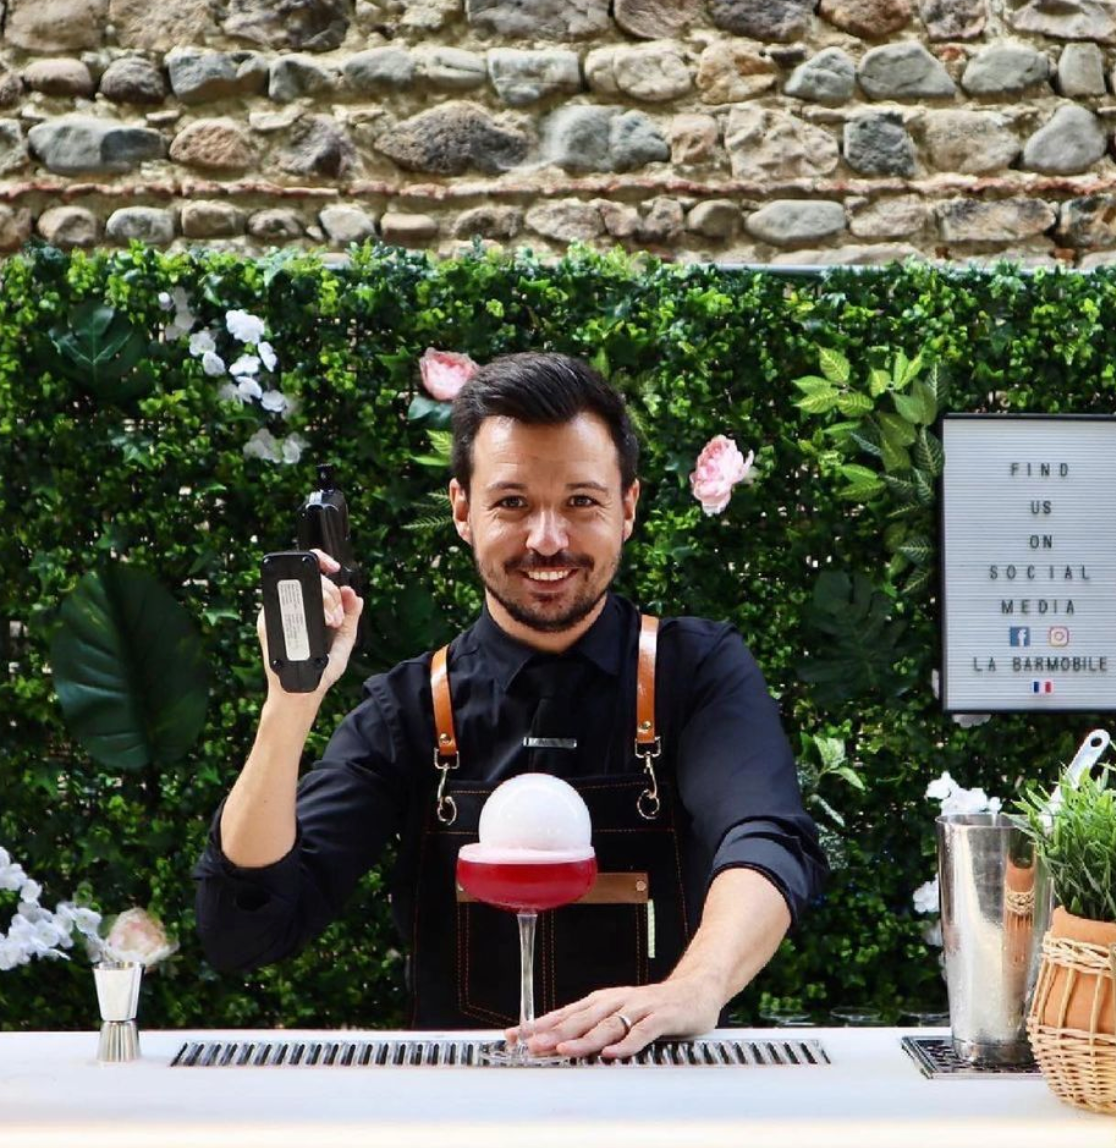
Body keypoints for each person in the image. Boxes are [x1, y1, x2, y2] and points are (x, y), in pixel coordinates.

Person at [194, 352, 828, 1058]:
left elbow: (767, 839)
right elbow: (245, 930)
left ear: (629, 508)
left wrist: (696, 987)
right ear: (463, 510)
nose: (547, 540)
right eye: (513, 503)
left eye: (582, 502)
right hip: (460, 1110)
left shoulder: (696, 672)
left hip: (661, 1095)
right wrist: (291, 701)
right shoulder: (408, 709)